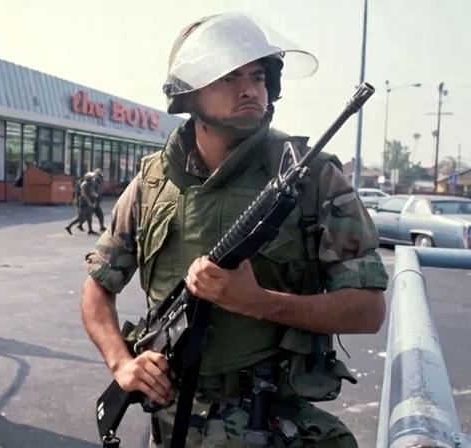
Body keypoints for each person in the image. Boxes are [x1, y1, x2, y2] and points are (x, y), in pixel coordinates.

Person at [80, 13, 387, 447]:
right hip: (173, 420)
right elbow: (97, 288)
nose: (250, 89)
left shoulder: (311, 177)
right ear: (189, 92)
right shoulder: (152, 183)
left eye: (258, 76)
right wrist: (121, 364)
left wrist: (259, 302)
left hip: (267, 418)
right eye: (229, 76)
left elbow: (368, 311)